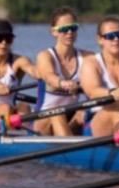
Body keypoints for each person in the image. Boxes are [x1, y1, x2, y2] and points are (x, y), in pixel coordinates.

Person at [33, 7, 93, 136]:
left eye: (73, 28)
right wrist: (63, 83)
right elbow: (49, 76)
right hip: (44, 117)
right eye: (64, 29)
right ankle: (72, 153)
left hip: (71, 114)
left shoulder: (88, 57)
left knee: (84, 111)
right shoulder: (45, 56)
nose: (69, 32)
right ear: (53, 32)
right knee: (57, 112)